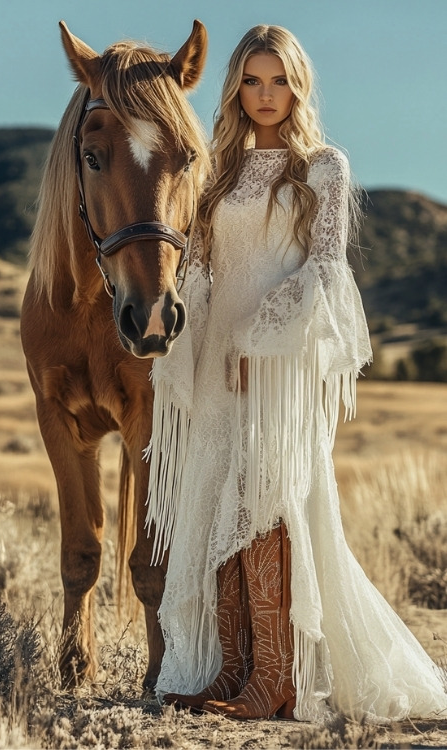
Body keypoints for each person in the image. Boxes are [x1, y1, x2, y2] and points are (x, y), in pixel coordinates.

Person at [145, 25, 447, 722]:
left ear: (298, 84)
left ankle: (276, 679)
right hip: (221, 362)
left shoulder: (324, 168)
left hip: (279, 366)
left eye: (277, 80)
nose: (265, 95)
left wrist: (262, 340)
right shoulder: (220, 172)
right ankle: (229, 671)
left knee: (267, 505)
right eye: (251, 81)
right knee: (219, 501)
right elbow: (201, 270)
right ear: (236, 90)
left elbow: (324, 270)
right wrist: (179, 338)